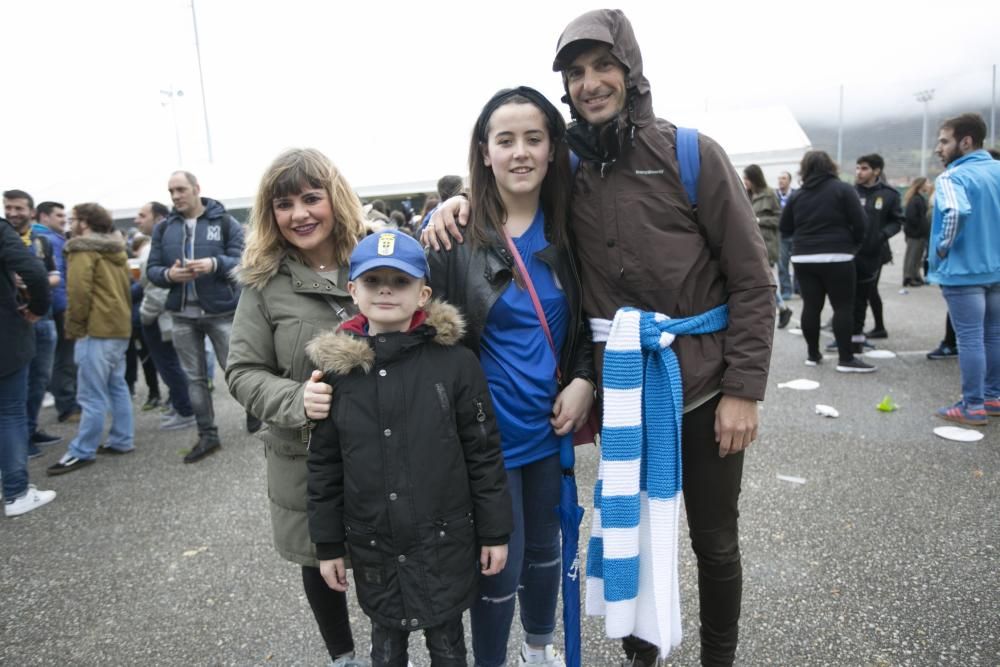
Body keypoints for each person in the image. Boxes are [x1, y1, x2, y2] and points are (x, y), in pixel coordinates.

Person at [426, 11, 775, 665]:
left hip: (698, 384)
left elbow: (754, 280)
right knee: (632, 529)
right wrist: (455, 203)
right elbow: (509, 184)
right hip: (622, 386)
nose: (590, 83)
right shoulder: (571, 171)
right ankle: (641, 653)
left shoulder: (690, 153)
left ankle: (718, 658)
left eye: (602, 66)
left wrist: (744, 389)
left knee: (715, 540)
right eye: (576, 73)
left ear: (630, 70)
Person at [426, 86, 595, 667]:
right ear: (485, 150)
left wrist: (585, 379)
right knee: (500, 560)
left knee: (547, 553)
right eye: (506, 140)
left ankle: (539, 648)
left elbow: (595, 321)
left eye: (533, 138)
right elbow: (426, 338)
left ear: (553, 149)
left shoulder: (576, 227)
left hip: (550, 427)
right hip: (485, 439)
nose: (520, 152)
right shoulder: (452, 236)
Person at [306, 229, 513, 667]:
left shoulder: (457, 364)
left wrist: (495, 531)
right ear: (352, 291)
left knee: (448, 645)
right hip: (374, 544)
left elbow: (483, 453)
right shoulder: (336, 375)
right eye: (373, 280)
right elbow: (324, 466)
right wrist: (328, 545)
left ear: (423, 294)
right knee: (386, 647)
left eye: (399, 281)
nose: (385, 289)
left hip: (444, 541)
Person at [226, 148, 369, 666]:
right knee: (322, 562)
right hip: (305, 456)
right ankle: (343, 657)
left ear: (336, 199)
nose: (300, 214)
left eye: (312, 198)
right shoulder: (262, 283)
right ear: (270, 214)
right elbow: (241, 372)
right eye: (284, 204)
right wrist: (295, 399)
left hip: (383, 448)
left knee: (386, 560)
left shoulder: (381, 257)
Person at [146, 171, 244, 463]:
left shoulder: (225, 222)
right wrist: (169, 274)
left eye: (180, 189)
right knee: (194, 379)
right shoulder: (163, 229)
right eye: (171, 191)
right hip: (182, 314)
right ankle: (207, 435)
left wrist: (213, 263)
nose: (175, 196)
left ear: (196, 189)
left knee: (237, 371)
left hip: (221, 311)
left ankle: (255, 411)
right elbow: (152, 270)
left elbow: (242, 263)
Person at [47, 203, 134, 475]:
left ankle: (82, 450)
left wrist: (74, 327)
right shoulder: (116, 248)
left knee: (90, 395)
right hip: (119, 327)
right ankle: (122, 439)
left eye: (73, 219)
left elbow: (78, 292)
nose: (70, 223)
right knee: (116, 385)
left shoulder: (82, 248)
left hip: (96, 330)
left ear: (84, 222)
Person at [926, 112, 1000, 426]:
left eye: (944, 141)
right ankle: (993, 396)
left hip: (964, 270)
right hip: (996, 269)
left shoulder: (952, 178)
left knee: (969, 339)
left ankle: (972, 406)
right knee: (993, 335)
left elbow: (956, 211)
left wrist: (943, 248)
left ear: (966, 141)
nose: (938, 148)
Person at [780, 151, 872, 372]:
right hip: (838, 255)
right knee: (842, 307)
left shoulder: (797, 195)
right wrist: (854, 245)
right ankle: (845, 358)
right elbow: (861, 223)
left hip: (803, 257)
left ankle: (813, 354)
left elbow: (784, 228)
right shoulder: (843, 190)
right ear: (831, 166)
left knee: (811, 306)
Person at [1, 216, 57, 516]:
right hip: (6, 339)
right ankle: (16, 492)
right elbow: (35, 271)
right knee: (10, 413)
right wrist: (37, 309)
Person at [4, 190, 62, 455]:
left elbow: (55, 276)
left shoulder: (41, 241)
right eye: (8, 207)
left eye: (19, 208)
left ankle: (30, 429)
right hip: (14, 323)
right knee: (18, 386)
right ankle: (19, 442)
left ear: (31, 211)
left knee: (39, 380)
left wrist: (32, 280)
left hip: (42, 317)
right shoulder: (4, 237)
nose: (13, 213)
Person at [135, 201, 197, 431]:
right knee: (172, 365)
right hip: (164, 317)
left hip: (159, 319)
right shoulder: (158, 246)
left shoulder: (155, 249)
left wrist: (145, 316)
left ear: (158, 218)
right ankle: (180, 405)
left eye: (142, 215)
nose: (137, 220)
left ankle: (184, 409)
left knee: (169, 365)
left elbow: (156, 291)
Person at [37, 200, 81, 423]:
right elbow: (58, 277)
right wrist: (65, 308)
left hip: (55, 307)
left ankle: (67, 402)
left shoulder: (50, 238)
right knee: (64, 359)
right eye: (59, 215)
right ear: (44, 217)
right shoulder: (49, 240)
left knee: (62, 358)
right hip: (59, 308)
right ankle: (68, 406)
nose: (64, 219)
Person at [852, 154, 903, 342]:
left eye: (864, 168)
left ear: (876, 171)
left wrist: (881, 235)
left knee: (869, 289)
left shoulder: (889, 194)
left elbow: (897, 221)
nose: (859, 172)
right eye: (857, 168)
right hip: (851, 252)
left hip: (875, 252)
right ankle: (851, 330)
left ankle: (875, 327)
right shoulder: (850, 192)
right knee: (851, 291)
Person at [744, 164, 793, 328]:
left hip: (767, 243)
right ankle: (781, 309)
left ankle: (782, 308)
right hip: (751, 243)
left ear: (754, 178)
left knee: (767, 279)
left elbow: (779, 219)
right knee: (765, 279)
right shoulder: (746, 195)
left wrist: (760, 221)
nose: (745, 182)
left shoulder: (769, 194)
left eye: (747, 178)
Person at [126, 234, 162, 408]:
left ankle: (163, 396)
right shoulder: (128, 263)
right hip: (137, 320)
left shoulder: (148, 264)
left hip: (147, 317)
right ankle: (153, 393)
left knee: (159, 359)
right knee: (146, 359)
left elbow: (138, 289)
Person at [902, 177, 932, 287]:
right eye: (927, 183)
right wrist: (920, 229)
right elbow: (911, 217)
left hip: (918, 233)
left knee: (917, 256)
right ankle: (909, 277)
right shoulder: (916, 199)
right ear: (921, 185)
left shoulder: (918, 198)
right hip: (915, 234)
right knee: (912, 256)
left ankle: (915, 276)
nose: (929, 185)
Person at [775, 171, 797, 300]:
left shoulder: (796, 195)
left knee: (797, 264)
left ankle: (799, 289)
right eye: (779, 178)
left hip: (796, 234)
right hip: (781, 235)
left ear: (789, 181)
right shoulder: (774, 195)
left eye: (783, 178)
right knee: (782, 264)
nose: (781, 181)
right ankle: (786, 290)